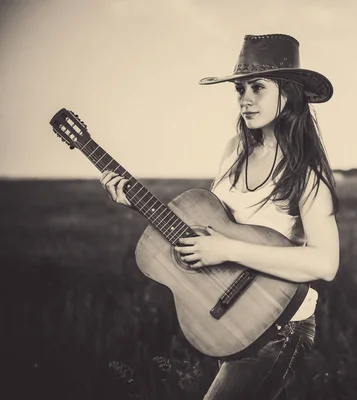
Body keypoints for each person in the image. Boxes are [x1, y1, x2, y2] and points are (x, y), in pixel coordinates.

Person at [100, 33, 340, 399]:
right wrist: (139, 204)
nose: (245, 100)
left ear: (288, 93)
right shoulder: (234, 153)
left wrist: (227, 250)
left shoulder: (305, 173)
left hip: (280, 328)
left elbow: (325, 263)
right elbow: (209, 230)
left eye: (257, 88)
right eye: (239, 90)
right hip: (231, 320)